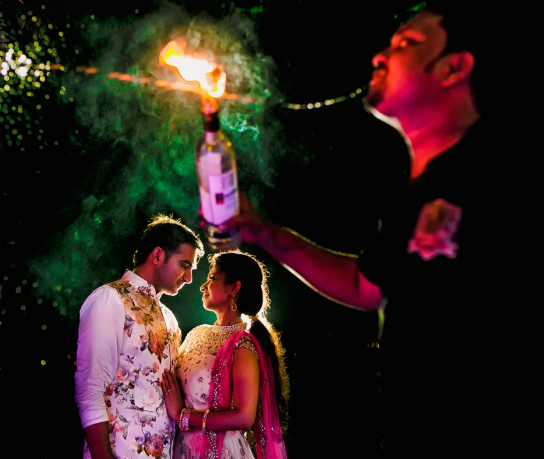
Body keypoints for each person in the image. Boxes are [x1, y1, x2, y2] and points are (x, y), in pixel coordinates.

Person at [220, 3, 507, 454]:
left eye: (407, 44)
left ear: (454, 67)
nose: (380, 56)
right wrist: (262, 232)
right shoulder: (414, 194)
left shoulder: (496, 170)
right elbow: (366, 284)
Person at [75, 215, 205, 459]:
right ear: (157, 256)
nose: (189, 278)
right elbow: (89, 391)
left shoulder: (169, 318)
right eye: (184, 265)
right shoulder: (110, 299)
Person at [160, 251, 289, 459]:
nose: (202, 286)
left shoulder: (243, 345)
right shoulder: (195, 333)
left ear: (233, 288)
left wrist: (183, 416)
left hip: (222, 452)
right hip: (183, 449)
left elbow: (243, 417)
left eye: (211, 278)